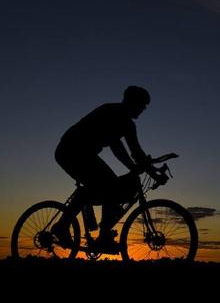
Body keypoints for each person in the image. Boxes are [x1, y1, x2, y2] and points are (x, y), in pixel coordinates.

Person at [51, 85, 166, 252]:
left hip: (85, 154)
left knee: (107, 187)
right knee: (110, 185)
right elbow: (117, 147)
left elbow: (137, 152)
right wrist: (137, 168)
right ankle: (71, 229)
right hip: (71, 151)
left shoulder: (129, 125)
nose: (143, 109)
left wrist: (153, 173)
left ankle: (92, 229)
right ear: (131, 102)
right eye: (142, 105)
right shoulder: (112, 112)